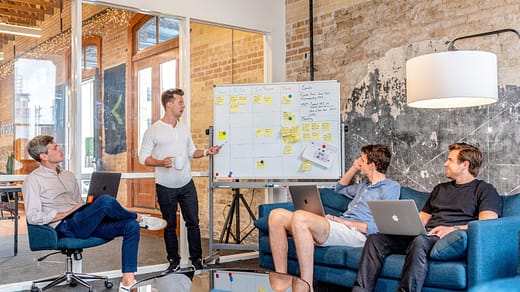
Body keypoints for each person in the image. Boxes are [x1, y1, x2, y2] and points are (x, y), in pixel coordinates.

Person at [22, 135, 167, 292]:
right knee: (105, 201)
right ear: (43, 156)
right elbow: (33, 216)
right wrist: (65, 212)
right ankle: (138, 217)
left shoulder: (68, 175)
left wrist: (87, 206)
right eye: (55, 147)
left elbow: (77, 202)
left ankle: (127, 280)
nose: (60, 149)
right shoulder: (33, 180)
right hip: (65, 226)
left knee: (130, 226)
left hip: (81, 221)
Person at [352, 142, 502, 292]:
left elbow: (487, 224)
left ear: (465, 165)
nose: (445, 164)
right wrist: (402, 225)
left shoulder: (484, 190)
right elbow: (422, 219)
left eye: (450, 160)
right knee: (375, 240)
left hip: (449, 238)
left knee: (420, 241)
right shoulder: (440, 189)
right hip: (427, 234)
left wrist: (452, 229)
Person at [268, 144, 401, 290]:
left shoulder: (390, 187)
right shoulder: (363, 187)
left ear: (372, 165)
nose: (358, 162)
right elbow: (339, 189)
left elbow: (383, 225)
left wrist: (346, 222)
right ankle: (281, 279)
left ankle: (307, 286)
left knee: (300, 217)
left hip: (358, 234)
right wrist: (354, 168)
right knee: (276, 215)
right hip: (341, 227)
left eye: (362, 160)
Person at [139, 88, 221, 272]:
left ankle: (196, 260)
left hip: (186, 184)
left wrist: (207, 152)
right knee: (169, 225)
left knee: (193, 222)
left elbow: (192, 152)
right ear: (169, 104)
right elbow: (142, 157)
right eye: (180, 102)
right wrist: (161, 162)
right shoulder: (154, 130)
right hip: (165, 187)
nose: (183, 106)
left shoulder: (184, 129)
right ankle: (174, 262)